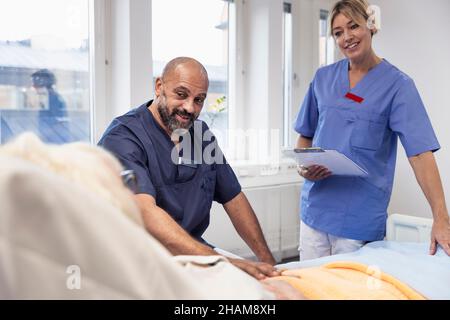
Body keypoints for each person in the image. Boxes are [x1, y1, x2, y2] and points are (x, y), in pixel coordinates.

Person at [294, 0, 450, 260]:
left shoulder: (398, 86)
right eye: (338, 32)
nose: (347, 37)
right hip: (315, 211)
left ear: (371, 25)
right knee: (308, 288)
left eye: (353, 26)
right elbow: (304, 136)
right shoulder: (323, 78)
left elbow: (421, 154)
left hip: (359, 219)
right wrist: (303, 168)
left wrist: (441, 217)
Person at [98, 57, 280, 280]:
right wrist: (223, 262)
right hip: (136, 263)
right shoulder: (123, 137)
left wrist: (268, 262)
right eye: (181, 95)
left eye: (199, 100)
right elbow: (146, 213)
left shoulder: (199, 135)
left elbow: (234, 198)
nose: (189, 108)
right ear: (159, 87)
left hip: (191, 256)